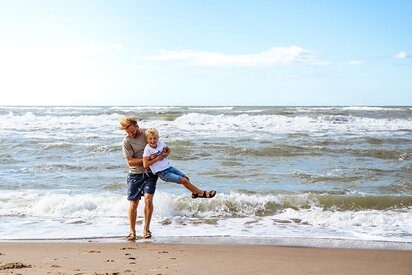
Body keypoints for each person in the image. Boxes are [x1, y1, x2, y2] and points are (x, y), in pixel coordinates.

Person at [119, 116, 169, 241]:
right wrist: (148, 159)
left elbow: (160, 146)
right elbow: (130, 162)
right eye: (128, 133)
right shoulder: (127, 141)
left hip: (150, 173)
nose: (131, 134)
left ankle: (146, 229)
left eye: (133, 131)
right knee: (134, 203)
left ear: (137, 126)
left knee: (148, 199)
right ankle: (132, 231)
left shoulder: (147, 134)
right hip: (135, 174)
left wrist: (166, 152)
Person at [143, 128, 216, 199]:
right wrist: (157, 158)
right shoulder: (147, 149)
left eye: (155, 138)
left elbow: (167, 149)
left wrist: (166, 154)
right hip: (162, 173)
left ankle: (195, 193)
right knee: (184, 181)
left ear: (158, 138)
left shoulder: (160, 143)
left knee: (186, 178)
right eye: (150, 138)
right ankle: (202, 193)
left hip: (169, 167)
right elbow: (145, 165)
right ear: (147, 139)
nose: (153, 140)